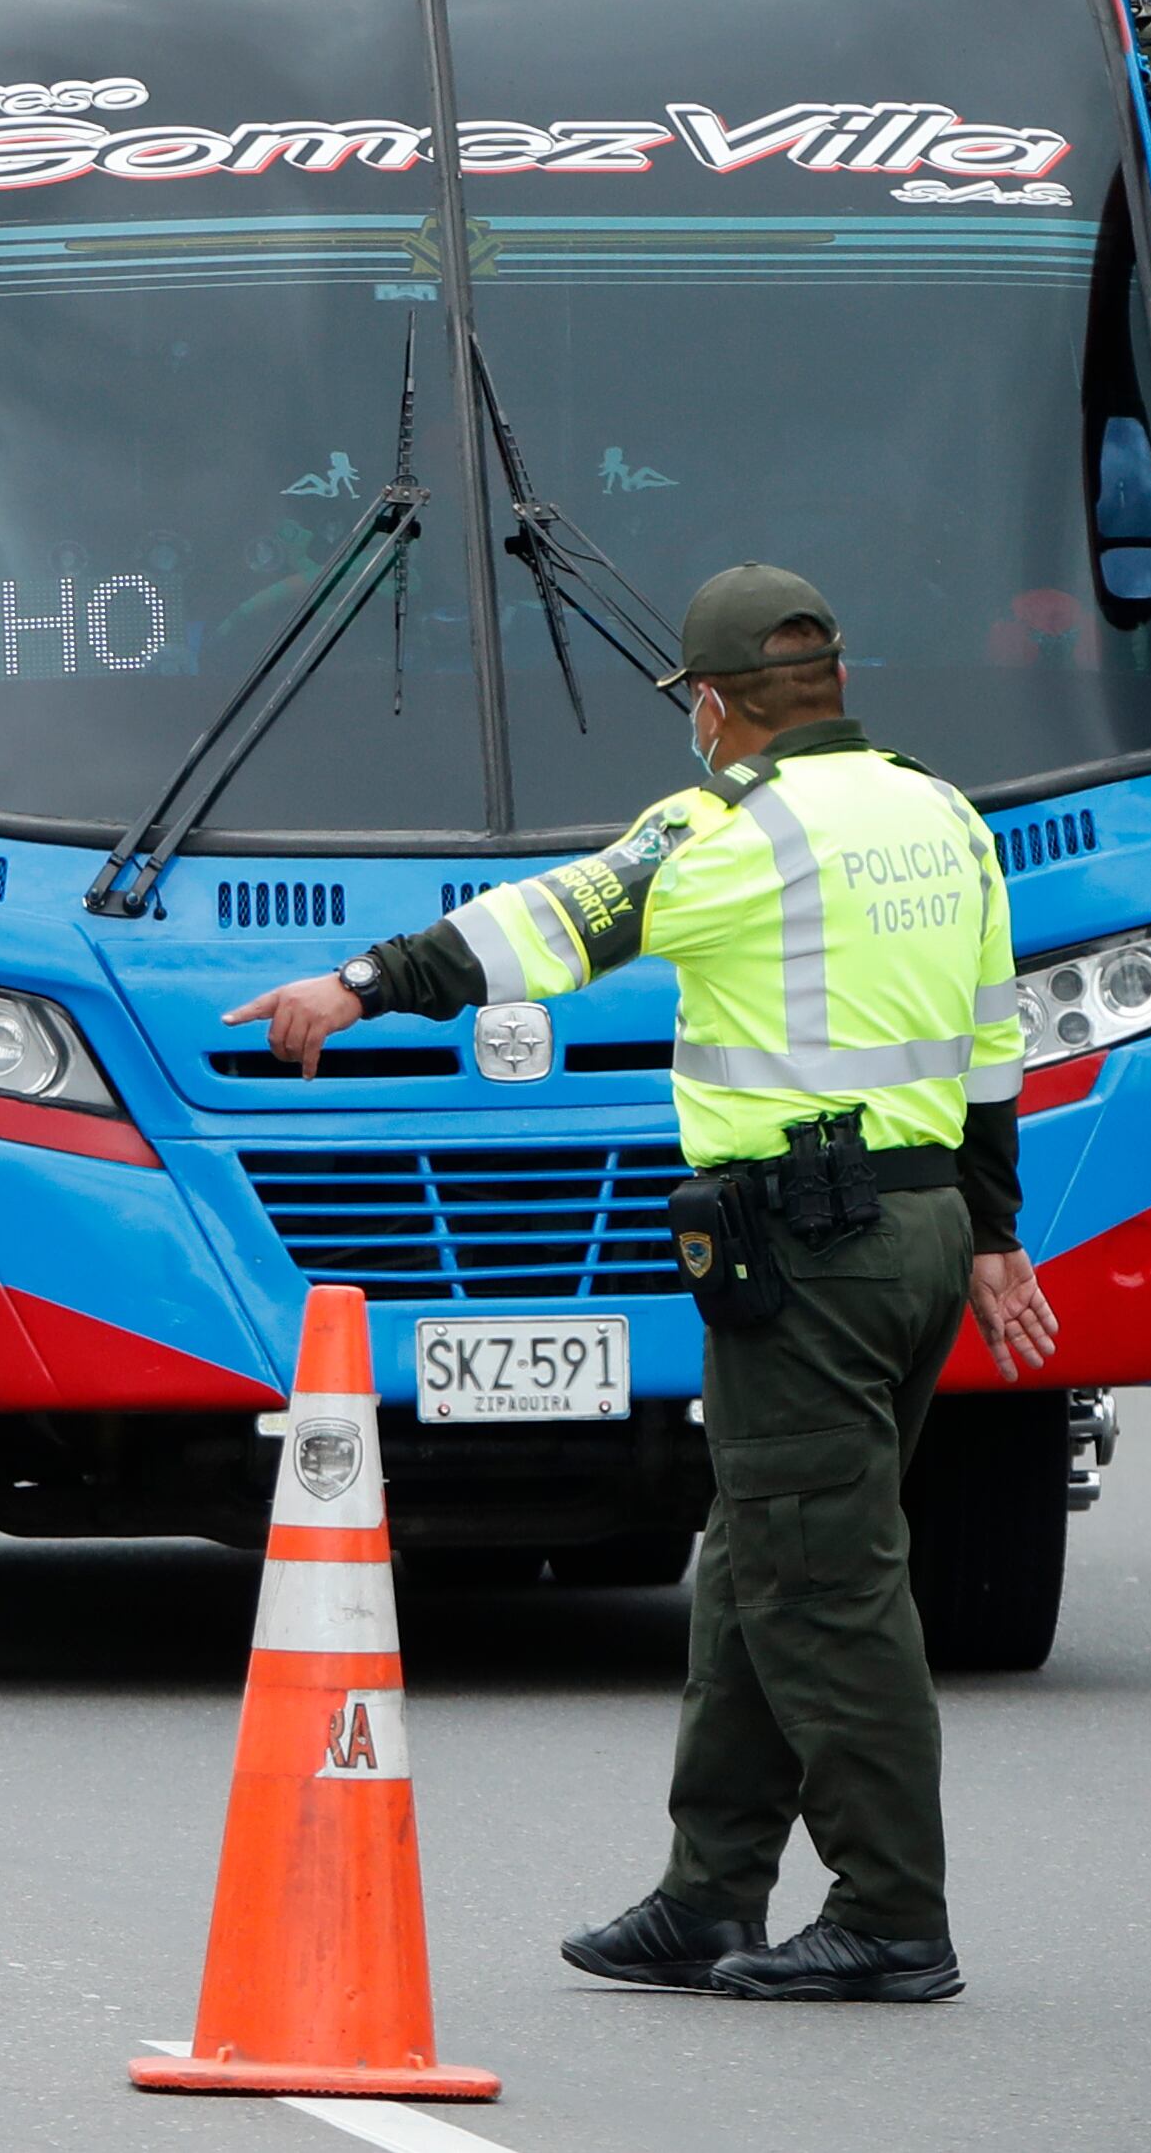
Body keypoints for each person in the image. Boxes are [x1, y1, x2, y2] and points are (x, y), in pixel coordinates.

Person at [223, 563, 1060, 2005]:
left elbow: (536, 931)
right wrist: (991, 1234)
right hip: (921, 1233)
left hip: (814, 1247)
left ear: (719, 705)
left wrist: (352, 988)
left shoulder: (726, 828)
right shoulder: (943, 815)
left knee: (827, 1589)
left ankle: (893, 1915)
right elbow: (995, 1044)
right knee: (757, 1563)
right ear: (836, 682)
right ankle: (709, 1894)